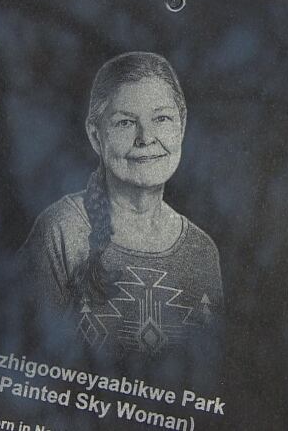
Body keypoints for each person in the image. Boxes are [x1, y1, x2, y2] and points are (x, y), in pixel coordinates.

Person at [20, 51, 223, 361]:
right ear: (96, 136)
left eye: (162, 118)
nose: (146, 138)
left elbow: (212, 369)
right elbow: (27, 354)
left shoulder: (202, 251)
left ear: (182, 126)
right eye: (126, 122)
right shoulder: (62, 231)